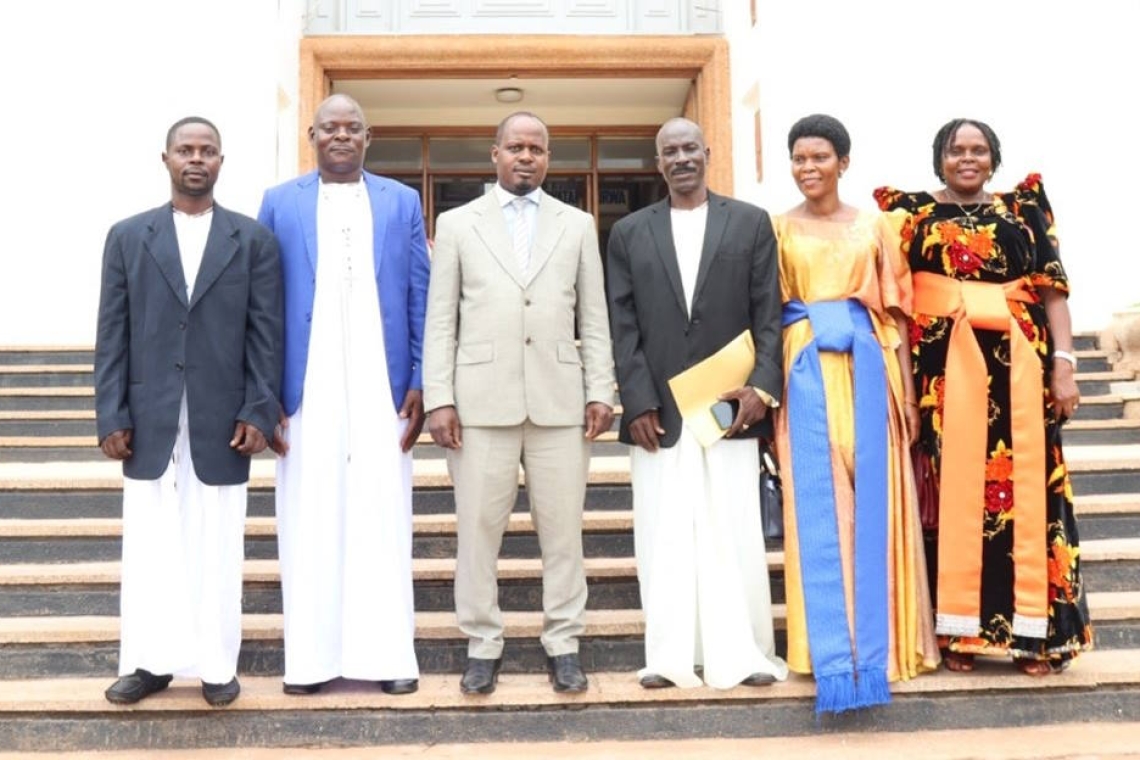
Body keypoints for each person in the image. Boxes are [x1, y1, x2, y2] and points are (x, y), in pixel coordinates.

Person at [875, 118, 1093, 675]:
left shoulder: (1023, 210)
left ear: (993, 158)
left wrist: (1064, 368)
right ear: (939, 158)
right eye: (956, 150)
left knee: (1032, 497)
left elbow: (1052, 292)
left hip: (1021, 370)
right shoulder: (911, 217)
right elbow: (897, 303)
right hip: (945, 376)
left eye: (978, 150)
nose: (967, 159)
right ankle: (960, 635)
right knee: (955, 495)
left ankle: (1035, 636)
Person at [423, 111, 615, 695]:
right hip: (480, 405)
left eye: (536, 148)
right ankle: (482, 644)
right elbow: (441, 320)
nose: (525, 156)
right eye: (515, 147)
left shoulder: (578, 224)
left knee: (564, 535)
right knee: (478, 534)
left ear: (548, 158)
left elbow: (594, 315)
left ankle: (563, 643)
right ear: (495, 154)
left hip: (560, 405)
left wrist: (600, 389)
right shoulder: (457, 224)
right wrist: (440, 398)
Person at [95, 116, 283, 707]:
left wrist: (259, 409)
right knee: (150, 546)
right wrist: (111, 413)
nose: (195, 159)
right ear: (166, 158)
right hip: (149, 416)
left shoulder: (251, 240)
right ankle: (147, 664)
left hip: (222, 418)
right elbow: (112, 333)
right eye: (185, 150)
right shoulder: (128, 237)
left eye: (207, 150)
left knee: (219, 545)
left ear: (222, 161)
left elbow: (265, 334)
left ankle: (216, 666)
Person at [606, 116, 787, 690]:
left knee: (733, 528)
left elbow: (769, 312)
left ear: (707, 153)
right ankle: (669, 657)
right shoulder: (630, 232)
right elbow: (622, 322)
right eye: (669, 151)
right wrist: (635, 401)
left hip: (731, 409)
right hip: (658, 413)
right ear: (657, 163)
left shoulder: (751, 223)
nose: (681, 158)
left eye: (690, 148)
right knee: (663, 531)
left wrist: (760, 387)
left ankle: (747, 652)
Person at [258, 93, 429, 695]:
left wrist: (419, 380)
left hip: (382, 382)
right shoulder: (280, 202)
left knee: (385, 511)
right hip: (304, 382)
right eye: (329, 127)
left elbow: (419, 295)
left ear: (367, 135)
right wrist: (264, 394)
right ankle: (309, 662)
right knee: (306, 512)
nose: (340, 136)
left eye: (352, 127)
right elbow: (262, 304)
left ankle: (387, 658)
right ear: (312, 134)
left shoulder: (401, 201)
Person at [773, 114, 939, 713]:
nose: (808, 167)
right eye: (798, 158)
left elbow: (898, 317)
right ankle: (823, 655)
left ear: (844, 162)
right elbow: (768, 314)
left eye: (819, 157)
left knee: (877, 507)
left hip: (870, 374)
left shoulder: (877, 227)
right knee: (822, 512)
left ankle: (886, 649)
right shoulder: (776, 229)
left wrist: (910, 393)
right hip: (805, 371)